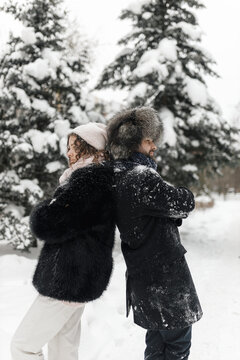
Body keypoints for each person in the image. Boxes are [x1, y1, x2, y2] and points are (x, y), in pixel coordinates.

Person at [11, 122, 115, 360]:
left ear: (89, 148)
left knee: (23, 346)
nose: (68, 153)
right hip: (79, 278)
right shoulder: (98, 178)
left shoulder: (88, 180)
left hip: (67, 280)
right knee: (64, 350)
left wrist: (42, 210)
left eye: (73, 147)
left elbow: (49, 223)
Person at [107, 107, 203, 360]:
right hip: (166, 281)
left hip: (142, 279)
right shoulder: (141, 177)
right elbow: (183, 203)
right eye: (149, 140)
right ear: (133, 141)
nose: (154, 146)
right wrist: (179, 194)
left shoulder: (117, 176)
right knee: (177, 347)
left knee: (156, 344)